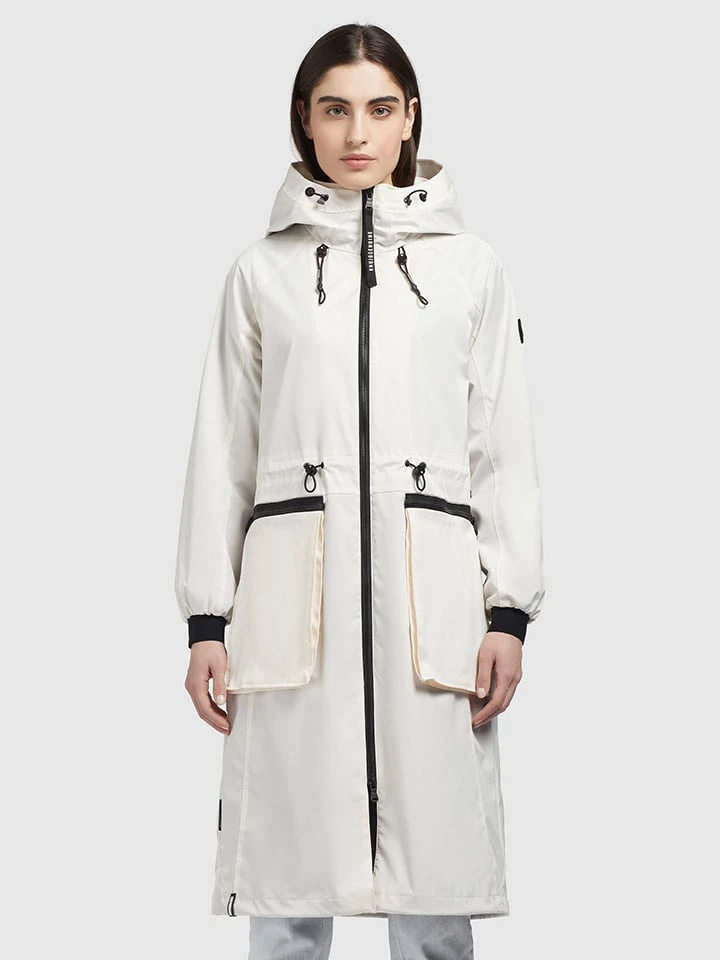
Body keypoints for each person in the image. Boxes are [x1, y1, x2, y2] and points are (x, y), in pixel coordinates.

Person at [174, 21, 545, 960]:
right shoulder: (261, 273)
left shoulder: (471, 270)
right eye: (335, 109)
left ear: (410, 117)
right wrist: (207, 622)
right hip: (291, 611)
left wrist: (508, 610)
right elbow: (223, 450)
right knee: (287, 888)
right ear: (304, 118)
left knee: (436, 888)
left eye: (379, 109)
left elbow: (502, 447)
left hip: (435, 611)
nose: (356, 133)